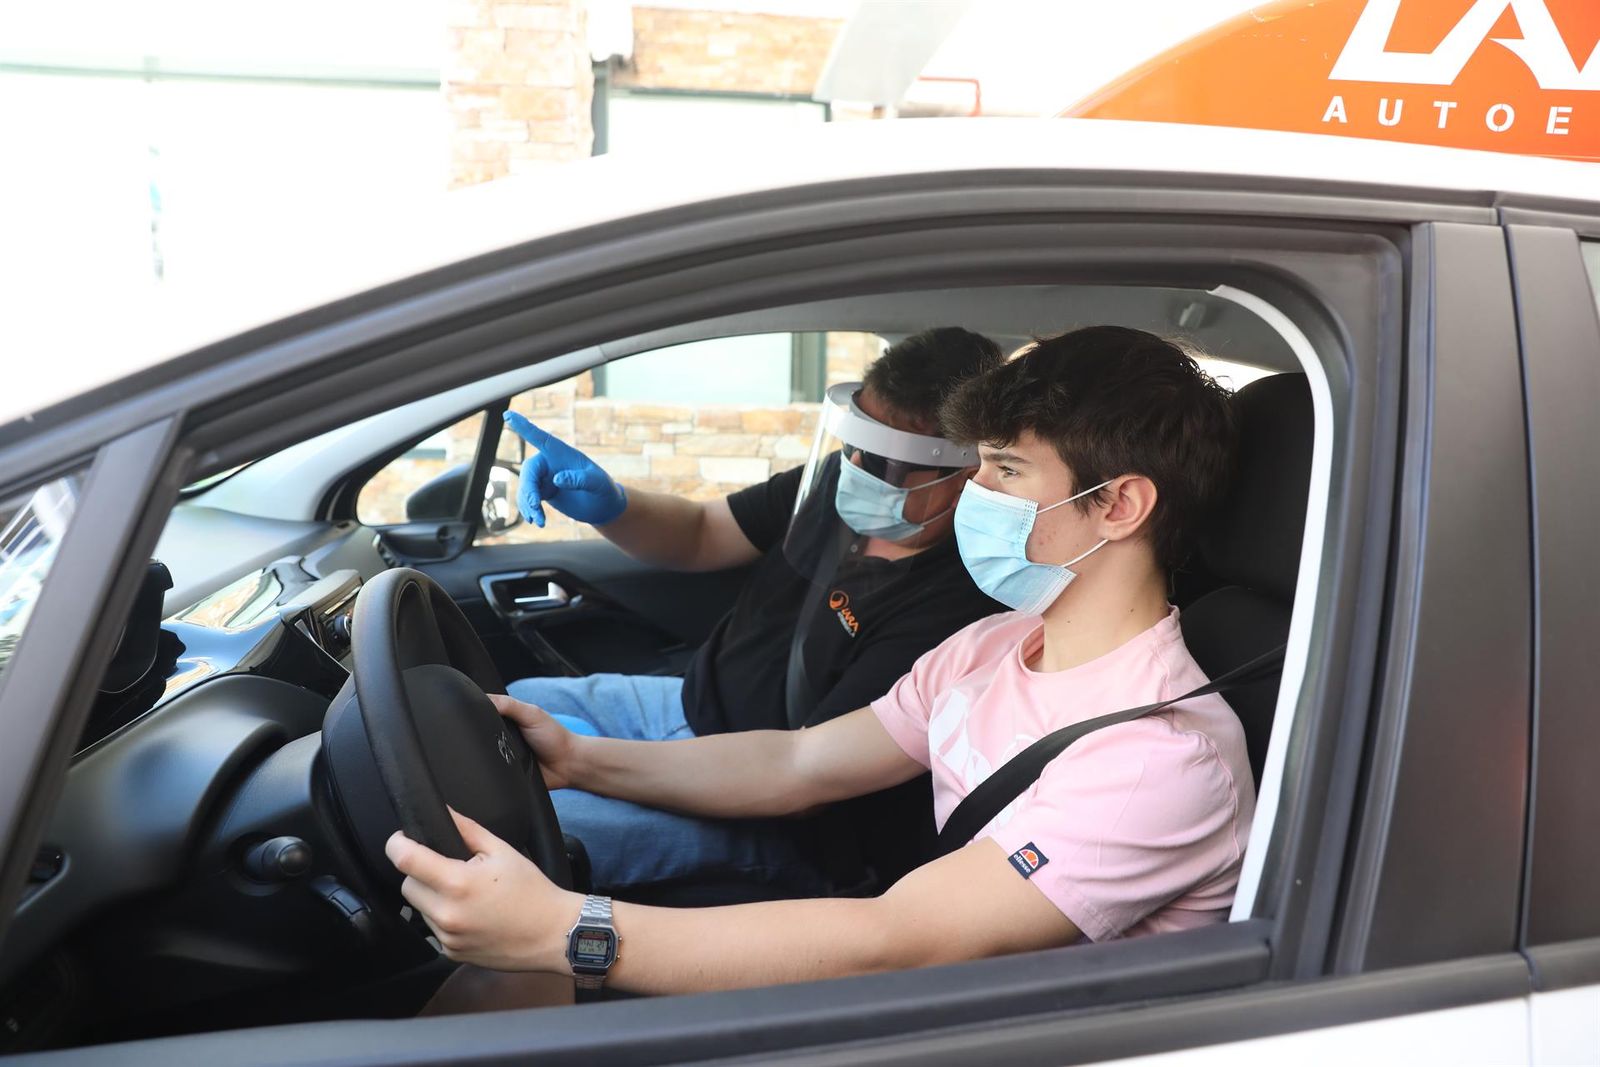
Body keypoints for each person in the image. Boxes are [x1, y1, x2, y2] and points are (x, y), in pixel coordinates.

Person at [388, 324, 1255, 1005]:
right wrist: (580, 758)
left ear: (1119, 504)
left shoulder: (1159, 755)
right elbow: (798, 761)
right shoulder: (995, 647)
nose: (974, 493)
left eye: (1003, 469)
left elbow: (898, 938)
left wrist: (568, 931)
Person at [497, 329, 1007, 892]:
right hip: (690, 706)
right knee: (508, 709)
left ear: (966, 475)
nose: (857, 467)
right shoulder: (837, 487)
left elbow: (800, 777)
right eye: (854, 442)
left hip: (768, 810)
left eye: (884, 461)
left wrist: (584, 762)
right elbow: (700, 534)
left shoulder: (957, 607)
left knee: (526, 826)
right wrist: (612, 507)